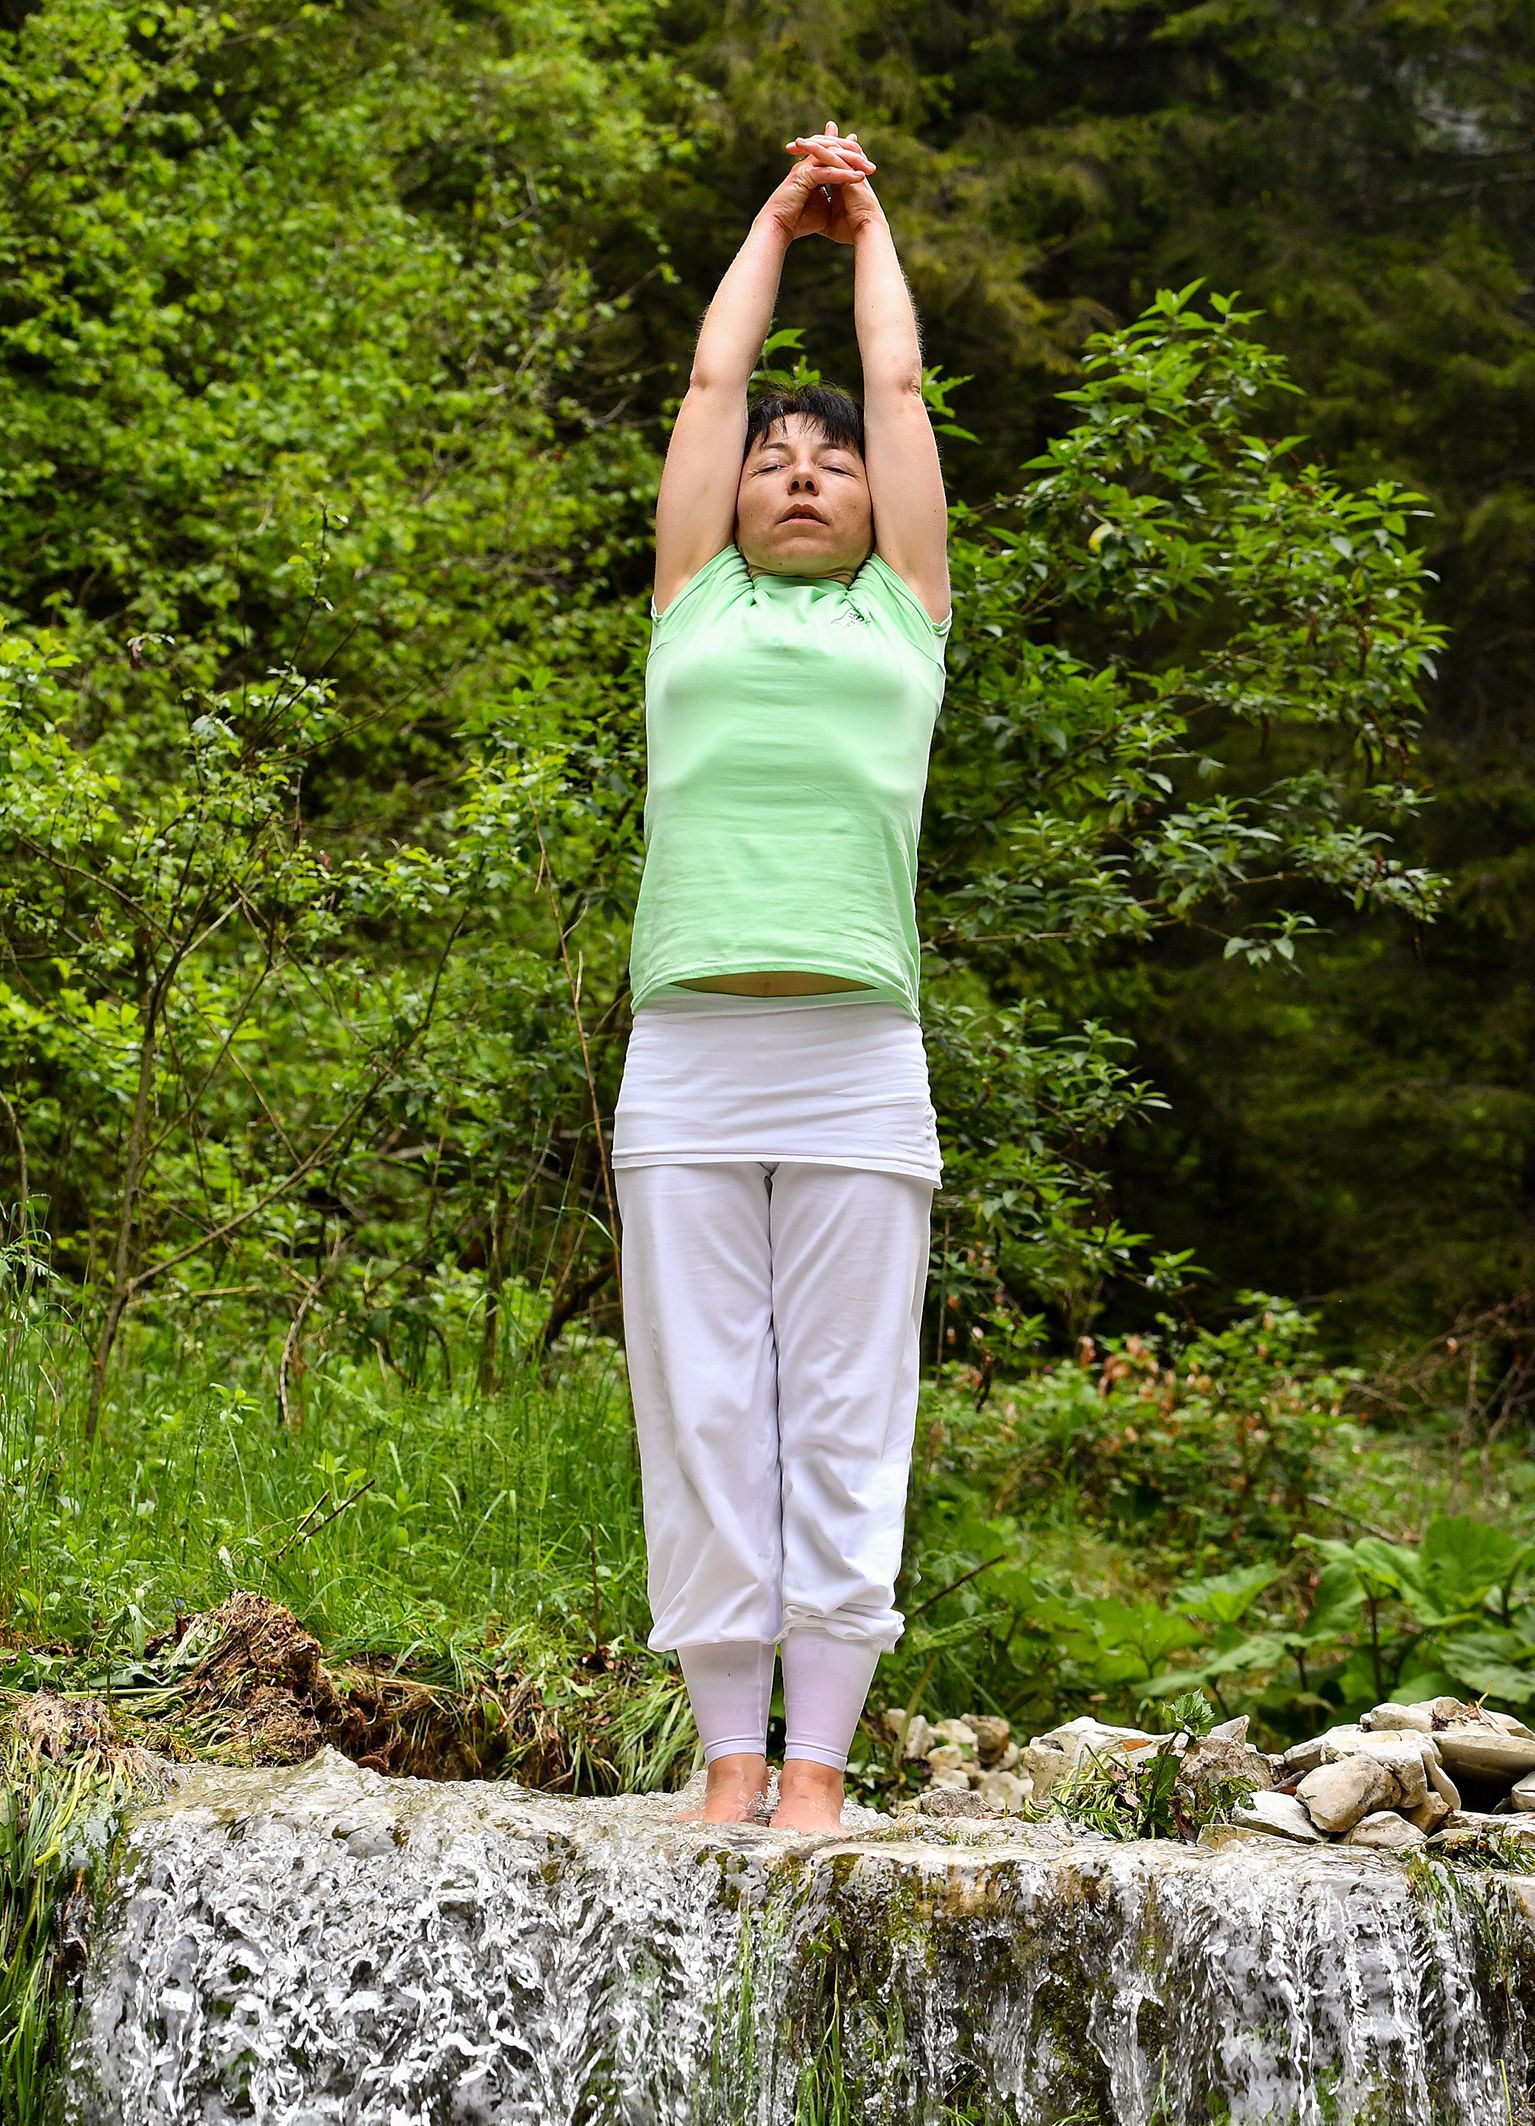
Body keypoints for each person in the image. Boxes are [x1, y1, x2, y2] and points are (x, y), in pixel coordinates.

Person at [610, 119, 953, 1834]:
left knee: (838, 1401)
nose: (803, 468)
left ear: (877, 499)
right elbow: (705, 381)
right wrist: (770, 216)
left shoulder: (906, 614)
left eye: (829, 459)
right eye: (774, 462)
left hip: (856, 1057)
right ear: (732, 502)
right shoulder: (693, 610)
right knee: (706, 1402)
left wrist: (865, 220)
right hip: (685, 1053)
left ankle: (818, 1760)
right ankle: (727, 1749)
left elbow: (896, 387)